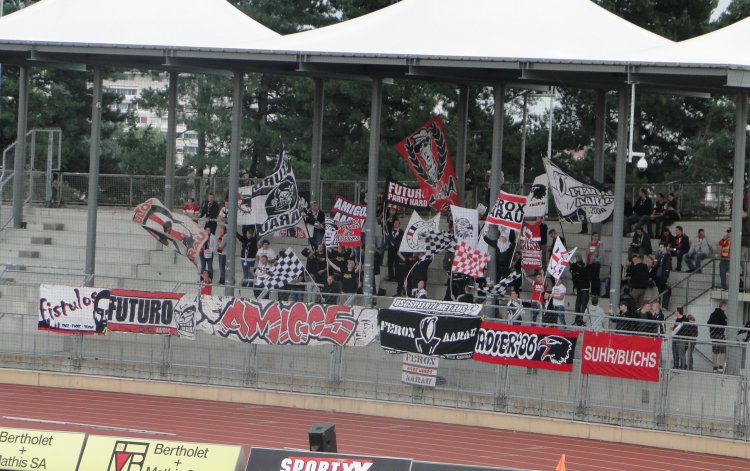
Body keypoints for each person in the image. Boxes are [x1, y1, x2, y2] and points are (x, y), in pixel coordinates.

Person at [708, 301, 728, 373]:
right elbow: (725, 323)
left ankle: (714, 368)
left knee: (715, 352)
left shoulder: (712, 314)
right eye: (726, 307)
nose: (726, 308)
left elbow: (708, 322)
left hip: (713, 335)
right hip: (720, 335)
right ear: (723, 306)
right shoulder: (722, 314)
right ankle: (720, 367)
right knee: (723, 351)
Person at [570, 254, 589, 326]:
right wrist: (574, 287)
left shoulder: (584, 267)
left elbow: (580, 270)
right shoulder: (575, 269)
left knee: (583, 306)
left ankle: (582, 320)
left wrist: (574, 263)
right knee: (577, 305)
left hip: (585, 289)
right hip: (579, 290)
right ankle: (577, 319)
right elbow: (571, 270)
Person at [653, 243, 672, 309]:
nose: (660, 249)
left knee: (665, 291)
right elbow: (656, 265)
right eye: (660, 247)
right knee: (660, 291)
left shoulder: (667, 255)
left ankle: (664, 305)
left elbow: (668, 266)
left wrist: (666, 276)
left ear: (665, 248)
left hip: (664, 277)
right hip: (660, 277)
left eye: (661, 247)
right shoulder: (660, 255)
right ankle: (661, 305)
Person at [586, 232, 602, 296]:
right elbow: (587, 252)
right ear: (592, 236)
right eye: (594, 236)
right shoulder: (589, 244)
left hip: (595, 263)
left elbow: (601, 254)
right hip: (589, 263)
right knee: (590, 277)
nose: (596, 237)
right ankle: (592, 292)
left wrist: (596, 260)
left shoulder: (599, 244)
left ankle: (596, 292)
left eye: (597, 236)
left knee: (595, 278)